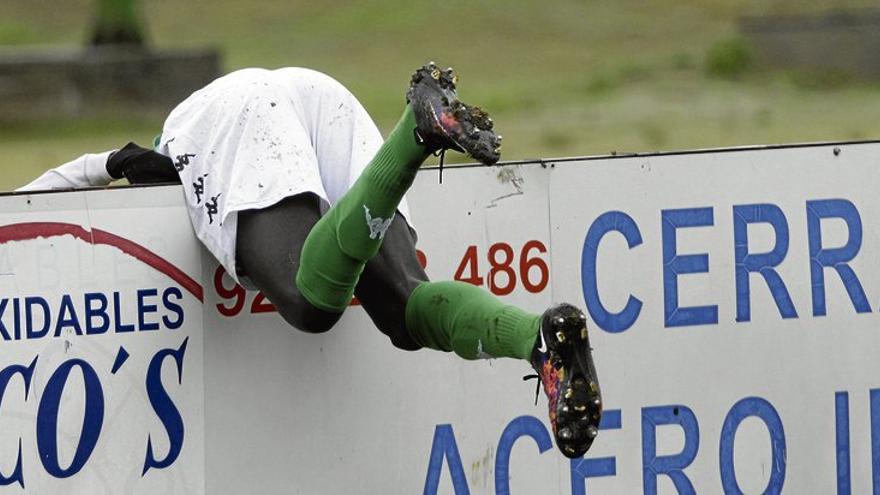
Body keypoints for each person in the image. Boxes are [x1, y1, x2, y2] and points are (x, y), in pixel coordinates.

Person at [18, 62, 602, 458]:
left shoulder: (188, 142)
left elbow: (22, 208)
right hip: (322, 96)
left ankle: (417, 135)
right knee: (404, 310)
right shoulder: (172, 160)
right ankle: (538, 339)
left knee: (309, 301)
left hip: (240, 112)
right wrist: (112, 163)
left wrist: (105, 166)